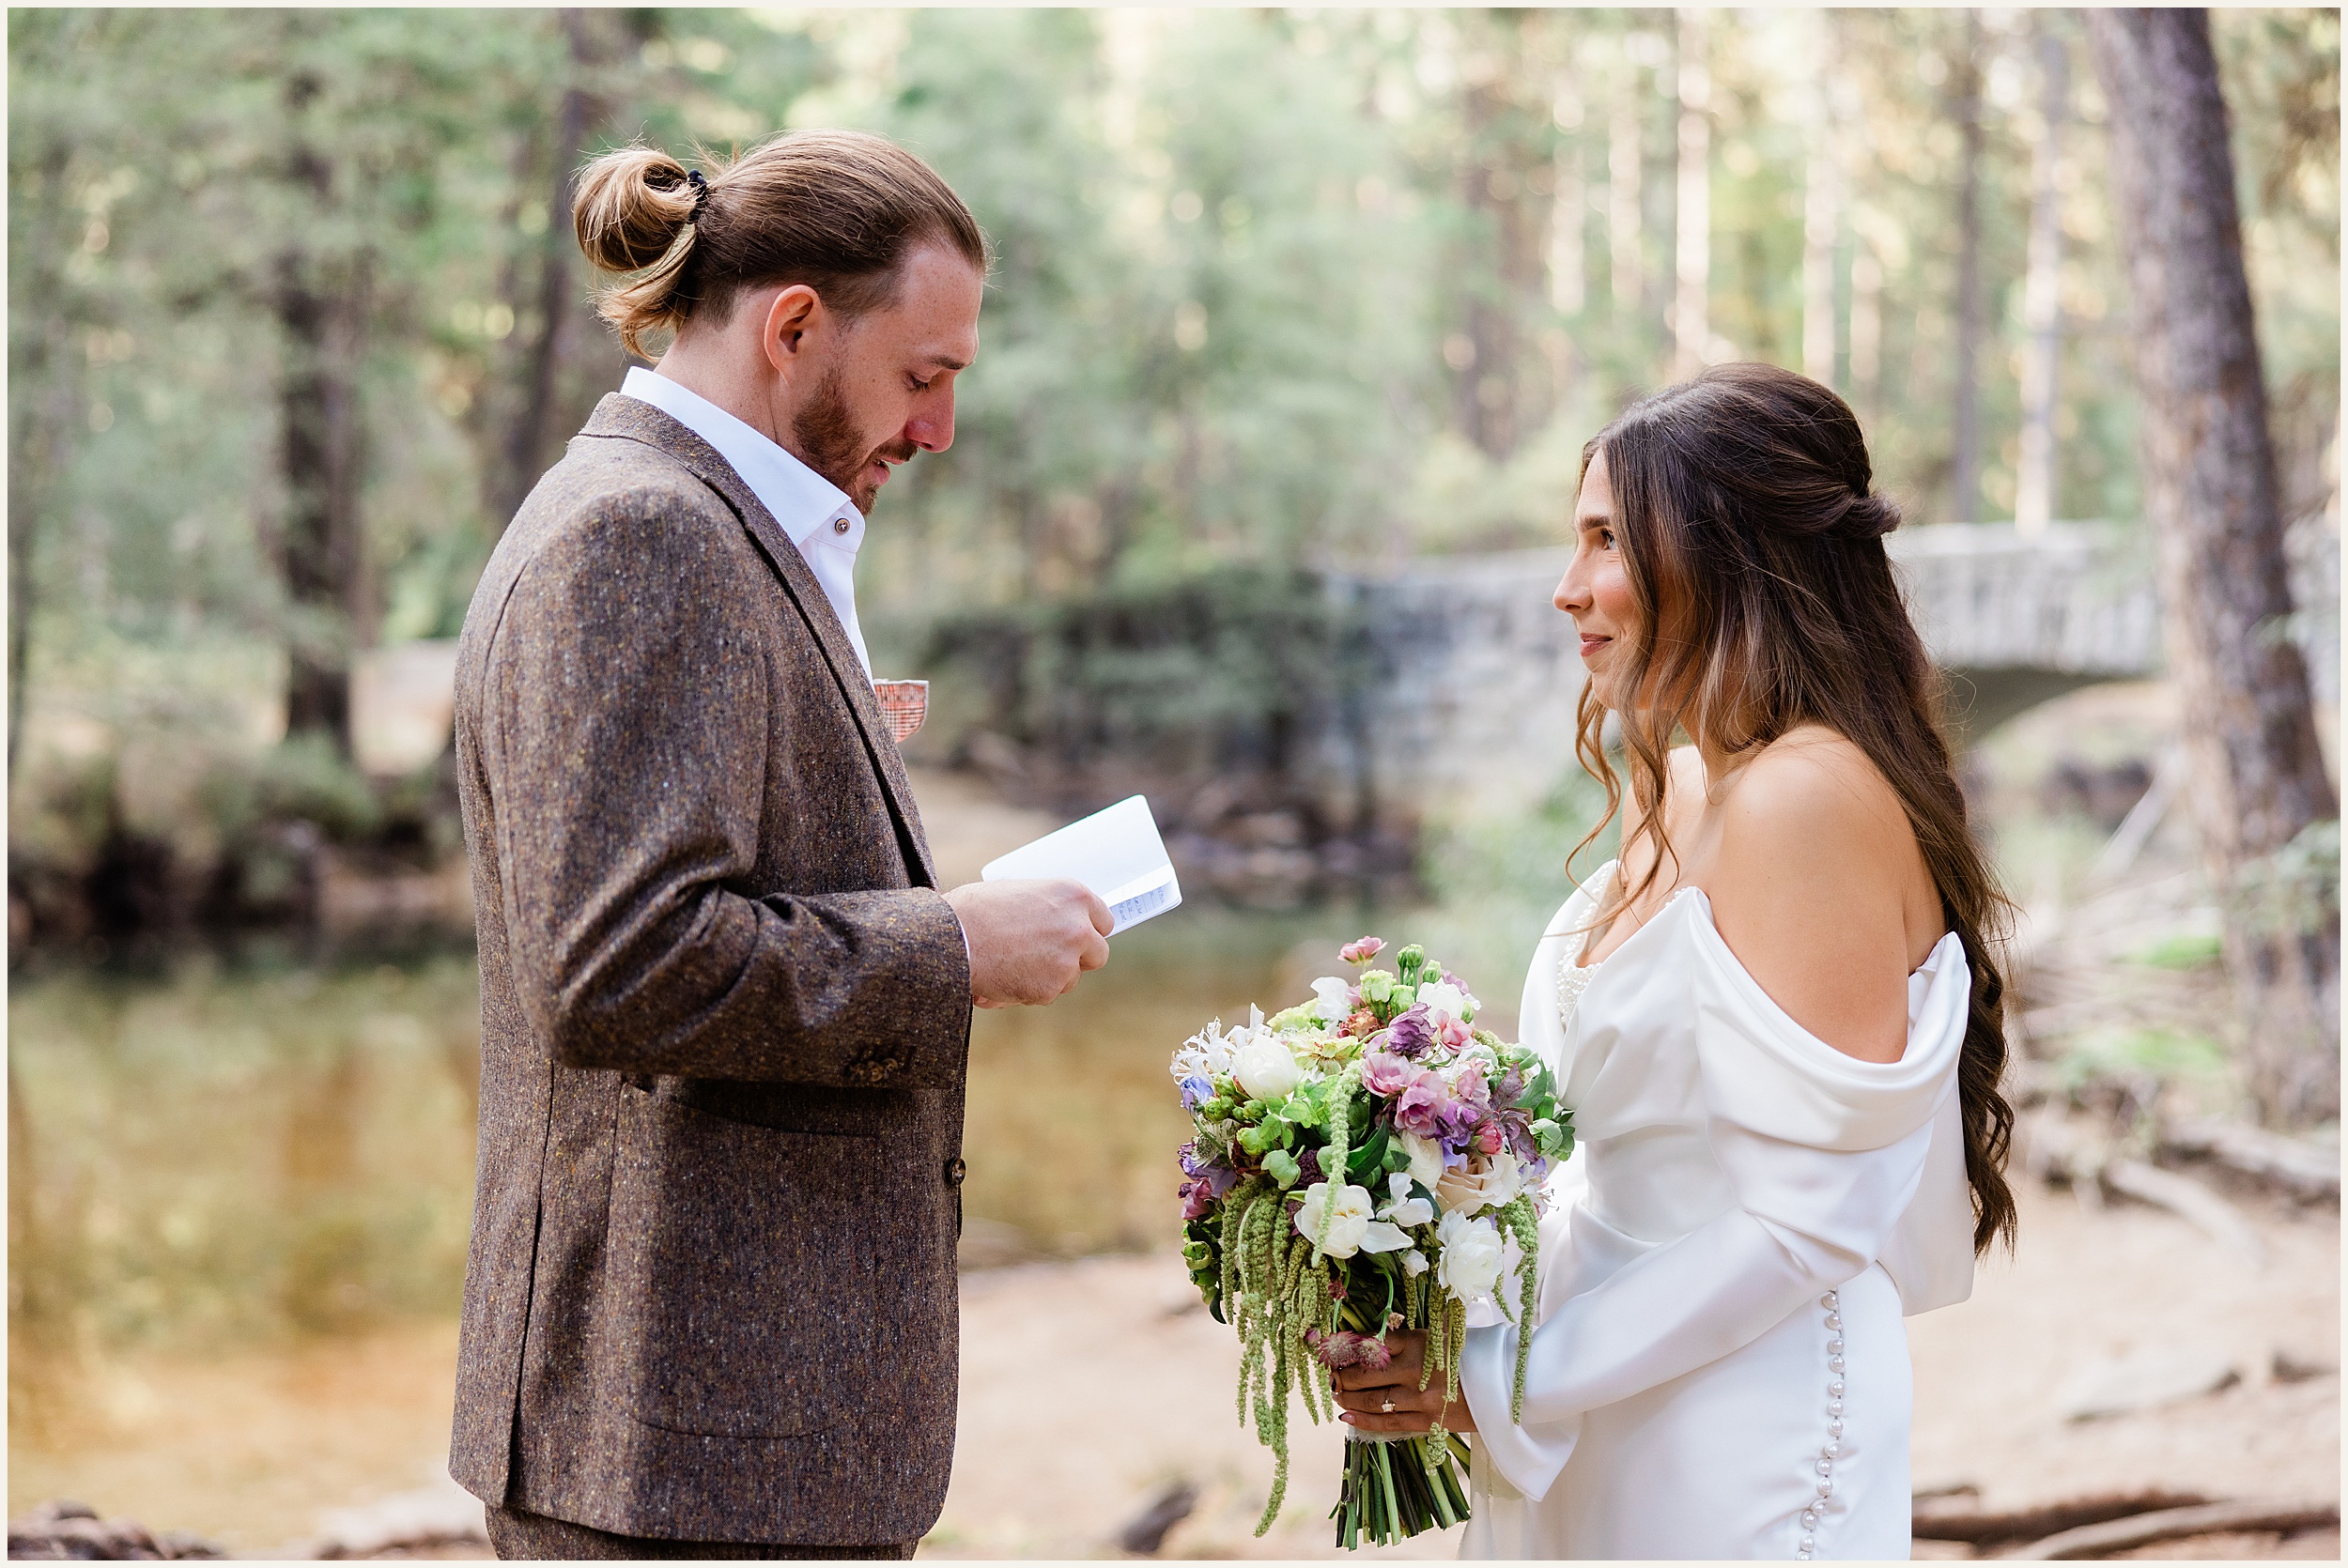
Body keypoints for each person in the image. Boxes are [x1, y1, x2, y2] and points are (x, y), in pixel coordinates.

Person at [445, 130, 1113, 1560]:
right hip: (682, 1453)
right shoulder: (642, 535)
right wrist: (960, 945)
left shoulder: (713, 526)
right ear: (795, 324)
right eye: (923, 378)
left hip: (728, 1440)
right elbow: (624, 963)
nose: (936, 431)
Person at [1327, 362, 2018, 1559]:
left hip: (1739, 1428)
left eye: (1605, 537)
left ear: (1724, 552)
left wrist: (1512, 1374)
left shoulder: (1804, 796)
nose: (1566, 588)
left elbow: (1811, 1223)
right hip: (1603, 1397)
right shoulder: (1685, 776)